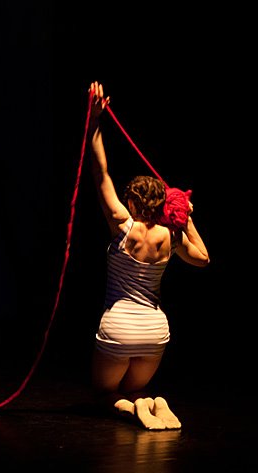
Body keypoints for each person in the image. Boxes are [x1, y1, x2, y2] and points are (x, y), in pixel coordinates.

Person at [87, 81, 210, 430]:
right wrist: (186, 219)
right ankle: (151, 401)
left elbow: (101, 172)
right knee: (131, 389)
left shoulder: (123, 225)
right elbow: (203, 258)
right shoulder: (171, 236)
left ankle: (132, 410)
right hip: (155, 331)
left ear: (133, 201)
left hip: (119, 327)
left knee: (103, 394)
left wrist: (94, 121)